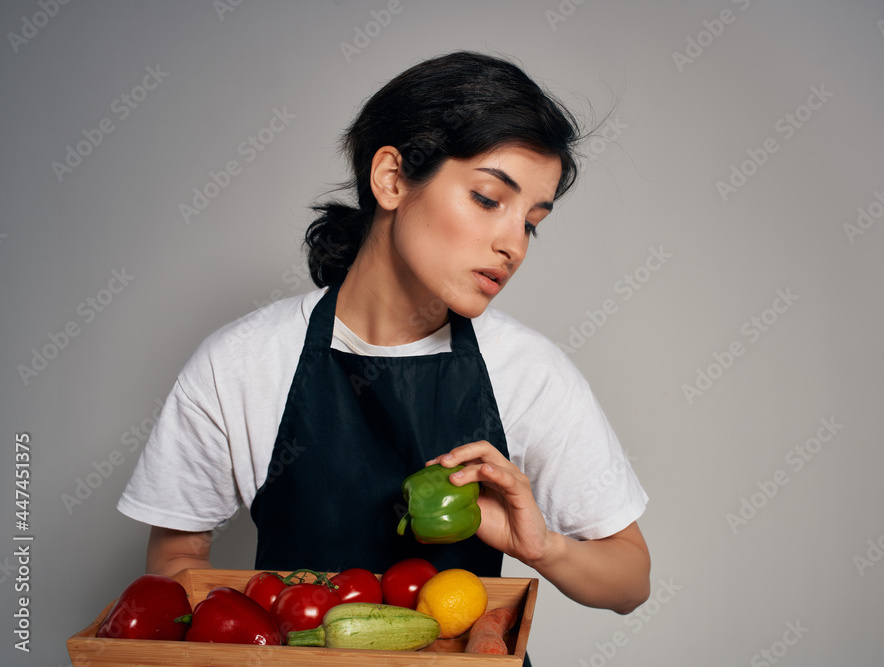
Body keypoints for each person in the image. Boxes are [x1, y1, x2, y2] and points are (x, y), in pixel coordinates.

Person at [117, 50, 650, 617]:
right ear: (392, 178)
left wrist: (542, 546)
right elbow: (177, 558)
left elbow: (629, 581)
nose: (513, 246)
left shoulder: (529, 373)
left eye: (531, 225)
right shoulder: (241, 363)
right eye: (488, 199)